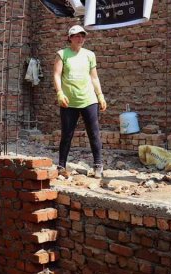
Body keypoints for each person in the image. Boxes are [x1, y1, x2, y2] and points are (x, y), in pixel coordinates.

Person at [53, 25, 107, 178]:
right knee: (67, 134)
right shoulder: (62, 54)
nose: (80, 38)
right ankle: (61, 166)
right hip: (68, 101)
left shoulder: (90, 55)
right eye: (76, 36)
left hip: (89, 99)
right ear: (69, 38)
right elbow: (57, 75)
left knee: (94, 133)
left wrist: (100, 95)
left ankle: (98, 166)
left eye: (82, 36)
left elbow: (94, 77)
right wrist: (59, 93)